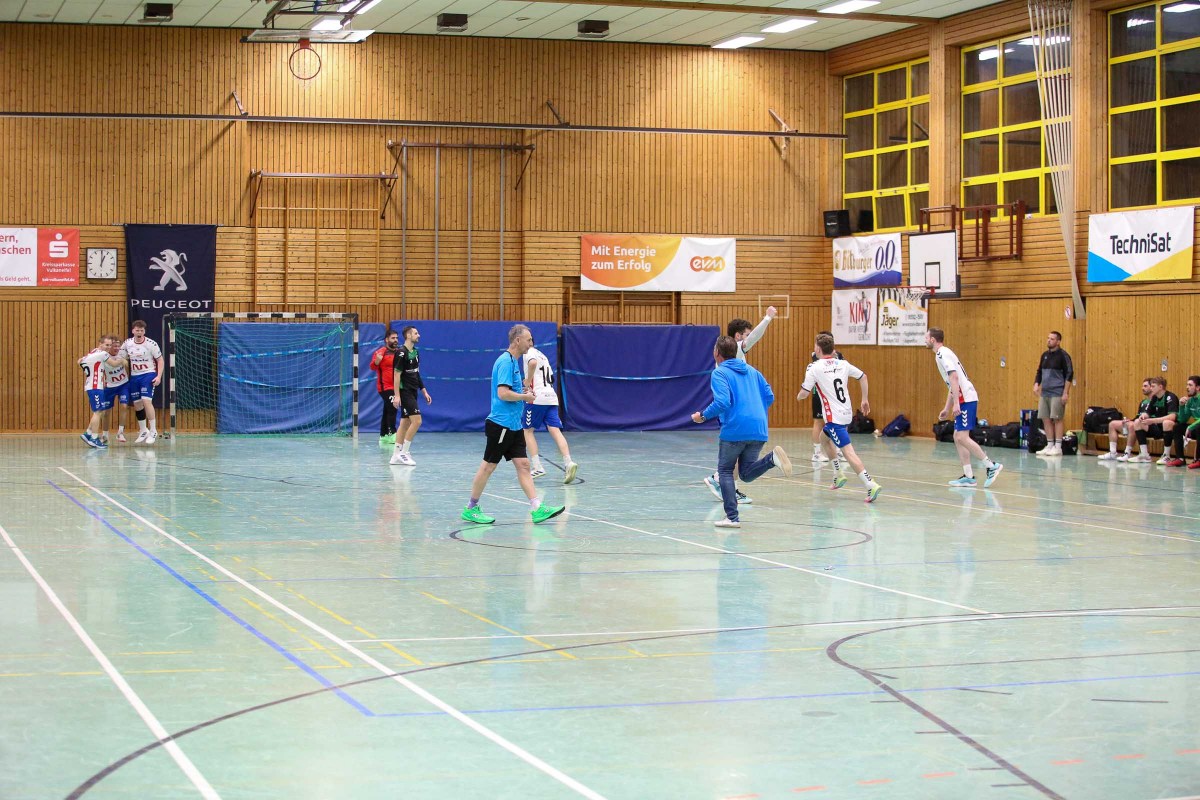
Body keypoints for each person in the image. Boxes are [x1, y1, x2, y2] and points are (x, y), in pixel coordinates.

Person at [462, 325, 565, 525]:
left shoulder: (514, 363)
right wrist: (525, 397)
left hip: (514, 425)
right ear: (517, 340)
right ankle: (471, 508)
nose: (531, 343)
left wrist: (524, 391)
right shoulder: (505, 362)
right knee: (488, 466)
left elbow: (513, 390)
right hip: (501, 425)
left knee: (524, 465)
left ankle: (537, 508)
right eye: (528, 340)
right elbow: (503, 393)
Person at [693, 335, 792, 528]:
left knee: (725, 471)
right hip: (759, 428)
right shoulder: (753, 371)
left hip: (735, 428)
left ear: (717, 353)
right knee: (745, 473)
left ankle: (732, 517)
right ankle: (772, 459)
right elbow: (769, 396)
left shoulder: (719, 373)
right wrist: (754, 411)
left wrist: (702, 416)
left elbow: (722, 402)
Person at [703, 306, 777, 504]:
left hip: (736, 413)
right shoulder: (736, 350)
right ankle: (721, 482)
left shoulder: (732, 359)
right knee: (734, 459)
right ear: (737, 337)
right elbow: (755, 338)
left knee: (736, 458)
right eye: (746, 334)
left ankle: (722, 482)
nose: (748, 338)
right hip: (736, 413)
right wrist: (767, 318)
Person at [797, 333, 881, 502]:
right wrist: (864, 399)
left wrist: (799, 396)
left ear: (818, 349)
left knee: (848, 452)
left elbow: (804, 393)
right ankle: (838, 474)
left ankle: (870, 484)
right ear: (833, 349)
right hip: (846, 413)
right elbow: (863, 376)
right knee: (824, 438)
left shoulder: (814, 367)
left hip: (834, 418)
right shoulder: (843, 363)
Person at [925, 328, 1003, 488]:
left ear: (932, 339)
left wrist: (956, 403)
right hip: (962, 398)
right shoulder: (942, 354)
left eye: (926, 337)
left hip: (966, 399)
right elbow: (952, 383)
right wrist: (947, 407)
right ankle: (968, 476)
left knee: (961, 436)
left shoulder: (942, 353)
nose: (924, 340)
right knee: (957, 436)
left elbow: (954, 377)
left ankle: (991, 466)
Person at [521, 343, 579, 484]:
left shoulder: (529, 352)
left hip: (536, 397)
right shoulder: (543, 355)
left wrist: (527, 382)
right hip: (551, 396)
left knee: (527, 431)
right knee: (555, 431)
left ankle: (537, 467)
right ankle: (568, 462)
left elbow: (532, 363)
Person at [390, 325, 432, 466]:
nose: (418, 335)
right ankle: (404, 452)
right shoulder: (401, 353)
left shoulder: (415, 352)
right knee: (417, 421)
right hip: (405, 391)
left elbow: (416, 373)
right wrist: (397, 396)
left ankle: (396, 454)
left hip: (413, 391)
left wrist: (424, 391)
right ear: (408, 336)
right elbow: (396, 375)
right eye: (416, 333)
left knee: (405, 422)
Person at [119, 320, 163, 445]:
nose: (139, 332)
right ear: (133, 331)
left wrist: (158, 376)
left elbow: (160, 360)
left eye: (142, 330)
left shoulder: (151, 344)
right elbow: (120, 358)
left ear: (144, 331)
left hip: (148, 374)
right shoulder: (127, 343)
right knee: (137, 404)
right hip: (135, 376)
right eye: (137, 330)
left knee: (146, 401)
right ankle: (143, 430)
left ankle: (153, 430)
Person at [78, 335, 125, 449]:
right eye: (106, 345)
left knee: (101, 411)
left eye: (110, 345)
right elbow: (113, 364)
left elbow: (79, 361)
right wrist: (122, 361)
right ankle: (94, 439)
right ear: (100, 344)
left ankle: (88, 433)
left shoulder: (93, 352)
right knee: (98, 412)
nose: (109, 347)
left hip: (94, 385)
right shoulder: (103, 354)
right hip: (95, 386)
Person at [1032, 330, 1074, 456]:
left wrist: (1065, 393)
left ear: (1058, 341)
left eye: (1052, 339)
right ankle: (1049, 444)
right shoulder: (1044, 355)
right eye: (1048, 338)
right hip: (1045, 392)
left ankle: (1058, 446)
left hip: (1057, 391)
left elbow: (1069, 374)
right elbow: (1039, 371)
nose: (1049, 340)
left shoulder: (1063, 356)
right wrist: (1036, 384)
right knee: (1045, 418)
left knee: (1057, 418)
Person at [809, 330, 845, 463]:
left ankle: (839, 451)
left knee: (838, 421)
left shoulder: (839, 355)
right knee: (819, 421)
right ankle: (817, 453)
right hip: (820, 393)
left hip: (834, 394)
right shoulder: (816, 355)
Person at [1097, 379, 1154, 461]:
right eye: (1142, 386)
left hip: (1147, 426)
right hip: (1137, 422)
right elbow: (1138, 416)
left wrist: (1134, 421)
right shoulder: (1143, 402)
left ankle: (1127, 453)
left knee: (1132, 425)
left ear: (1151, 387)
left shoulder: (1155, 401)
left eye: (1145, 386)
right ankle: (1112, 453)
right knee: (1112, 424)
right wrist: (1129, 420)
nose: (1142, 388)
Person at [370, 328, 400, 447]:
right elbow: (372, 367)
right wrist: (377, 361)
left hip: (396, 386)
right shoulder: (381, 352)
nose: (395, 340)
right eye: (393, 338)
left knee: (387, 410)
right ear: (386, 340)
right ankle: (392, 433)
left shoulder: (399, 352)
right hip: (385, 387)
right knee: (393, 408)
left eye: (397, 338)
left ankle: (383, 435)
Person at [1163, 375, 1200, 468]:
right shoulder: (1190, 401)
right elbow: (1182, 419)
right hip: (1196, 428)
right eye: (1187, 385)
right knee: (1177, 427)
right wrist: (1181, 406)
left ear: (1198, 387)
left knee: (1199, 428)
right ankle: (1180, 458)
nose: (1187, 387)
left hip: (1198, 427)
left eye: (1190, 385)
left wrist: (1190, 427)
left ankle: (1198, 460)